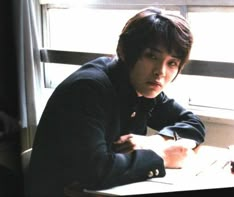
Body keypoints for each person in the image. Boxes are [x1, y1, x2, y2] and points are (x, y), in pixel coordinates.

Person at [27, 6, 206, 197]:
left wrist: (155, 142)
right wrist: (162, 156)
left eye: (172, 63)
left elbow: (194, 125)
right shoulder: (88, 89)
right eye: (151, 56)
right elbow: (95, 171)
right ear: (123, 50)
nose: (160, 72)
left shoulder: (144, 86)